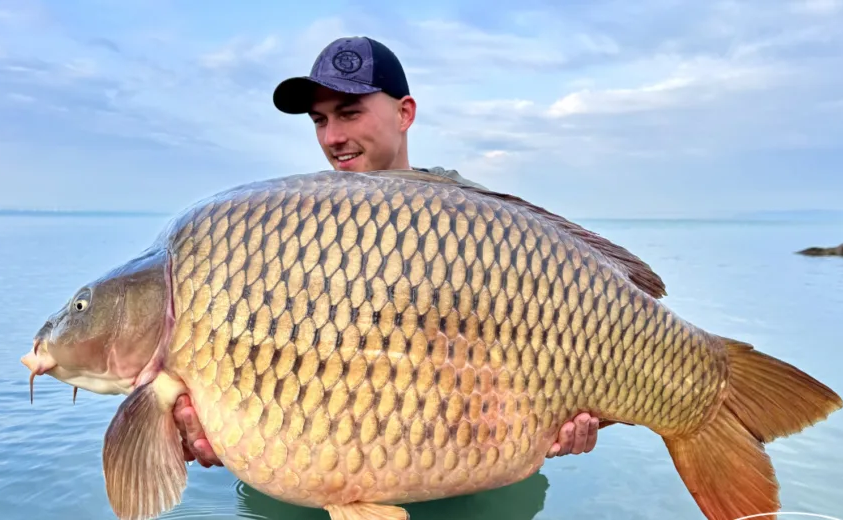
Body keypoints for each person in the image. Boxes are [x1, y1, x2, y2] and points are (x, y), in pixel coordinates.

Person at [172, 36, 601, 469]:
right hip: (335, 474)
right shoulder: (300, 230)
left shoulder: (478, 223)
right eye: (320, 120)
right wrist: (235, 430)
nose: (333, 137)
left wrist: (565, 419)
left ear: (404, 113)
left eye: (349, 113)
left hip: (474, 474)